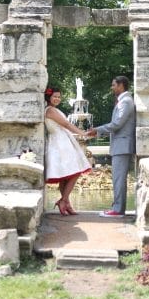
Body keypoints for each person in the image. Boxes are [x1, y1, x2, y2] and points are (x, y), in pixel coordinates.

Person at [87, 76, 136, 218]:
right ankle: (118, 208)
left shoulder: (125, 102)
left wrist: (97, 129)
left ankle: (118, 210)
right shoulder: (124, 101)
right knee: (118, 178)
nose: (112, 87)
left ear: (121, 86)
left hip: (122, 145)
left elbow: (117, 124)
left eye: (114, 85)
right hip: (121, 145)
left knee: (119, 179)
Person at [44, 86, 92, 216]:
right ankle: (64, 200)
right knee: (75, 171)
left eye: (59, 97)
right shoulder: (50, 111)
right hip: (60, 143)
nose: (57, 99)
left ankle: (66, 202)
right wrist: (84, 133)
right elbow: (67, 125)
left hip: (63, 141)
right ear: (49, 97)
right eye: (55, 96)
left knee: (65, 174)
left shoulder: (54, 110)